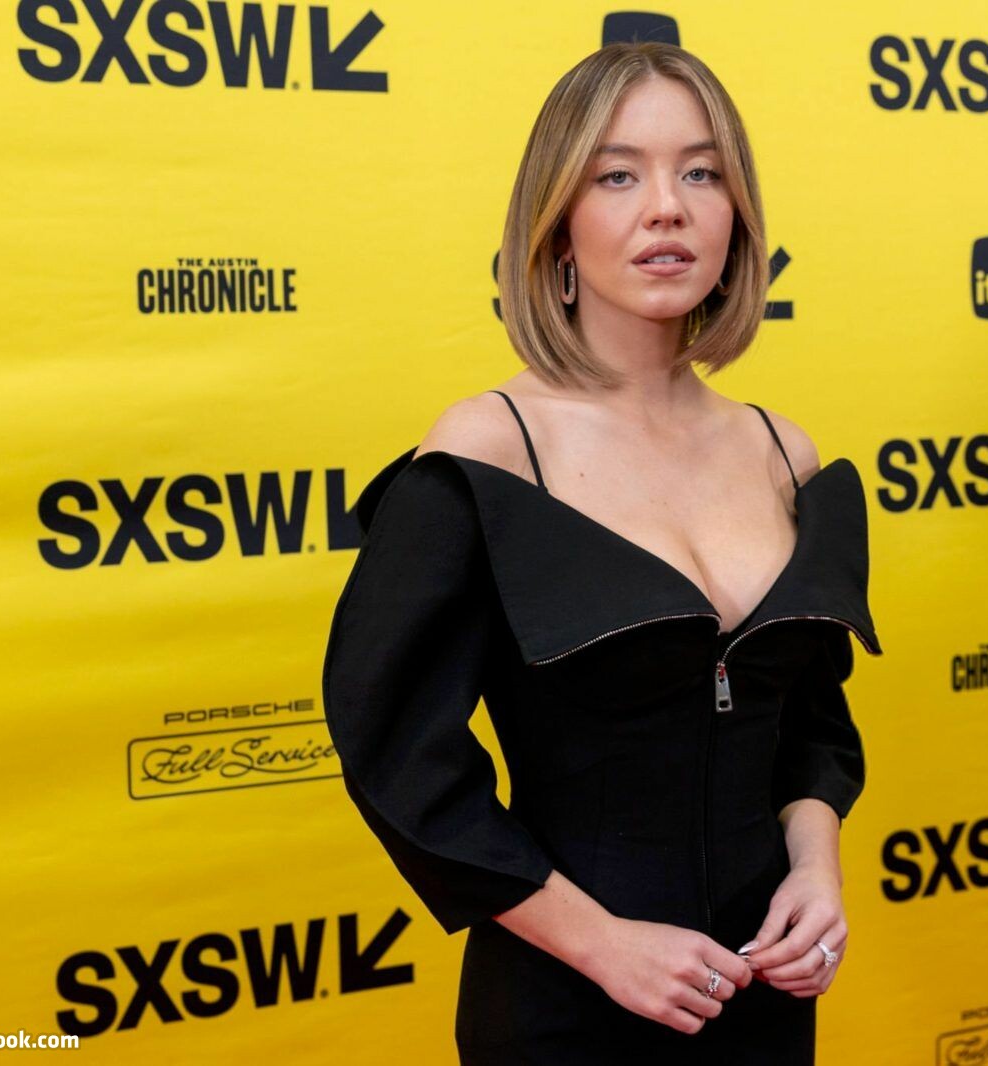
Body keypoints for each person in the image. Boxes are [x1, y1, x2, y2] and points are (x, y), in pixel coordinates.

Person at [321, 40, 883, 1064]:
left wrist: (816, 869)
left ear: (737, 216)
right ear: (557, 225)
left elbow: (812, 721)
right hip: (566, 1000)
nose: (667, 208)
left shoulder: (783, 453)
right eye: (617, 176)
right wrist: (603, 946)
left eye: (701, 173)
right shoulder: (488, 452)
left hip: (762, 991)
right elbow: (396, 751)